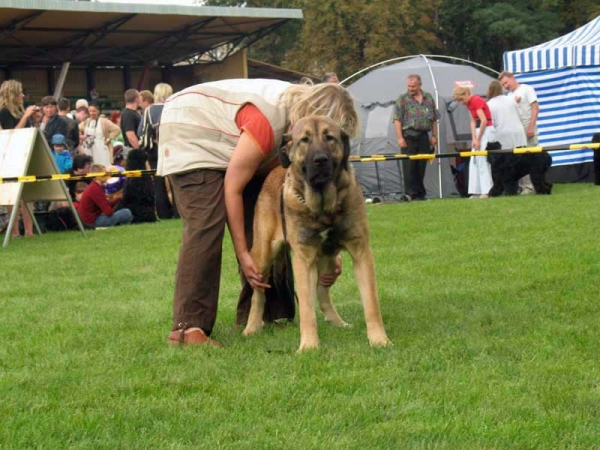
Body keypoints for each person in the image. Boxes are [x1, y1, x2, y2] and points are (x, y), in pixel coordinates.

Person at [157, 79, 358, 347]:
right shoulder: (267, 124)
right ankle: (187, 328)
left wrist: (329, 247)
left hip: (232, 138)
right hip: (190, 128)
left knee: (271, 224)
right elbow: (233, 188)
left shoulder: (295, 126)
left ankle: (271, 312)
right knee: (207, 222)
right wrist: (243, 254)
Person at [0, 79, 38, 238]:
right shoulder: (4, 112)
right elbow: (12, 134)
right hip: (10, 156)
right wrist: (26, 116)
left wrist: (34, 119)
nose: (23, 95)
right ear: (13, 94)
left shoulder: (20, 112)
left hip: (25, 153)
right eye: (20, 92)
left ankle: (29, 231)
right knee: (12, 195)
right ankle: (15, 231)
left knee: (29, 195)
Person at [393, 74, 439, 201]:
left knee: (421, 166)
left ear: (420, 85)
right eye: (408, 86)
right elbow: (397, 120)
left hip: (424, 135)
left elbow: (434, 118)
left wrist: (434, 135)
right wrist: (400, 138)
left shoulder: (428, 97)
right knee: (409, 166)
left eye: (413, 86)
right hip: (408, 136)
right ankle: (410, 194)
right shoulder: (402, 99)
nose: (411, 88)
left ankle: (420, 194)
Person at [137, 82, 178, 219]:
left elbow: (141, 131)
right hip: (173, 149)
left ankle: (163, 213)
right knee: (175, 182)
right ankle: (178, 212)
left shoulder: (149, 111)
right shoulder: (175, 108)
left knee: (158, 183)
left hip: (154, 150)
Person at [498, 71, 539, 194]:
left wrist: (531, 127)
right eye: (503, 85)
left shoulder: (527, 89)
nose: (505, 86)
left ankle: (531, 186)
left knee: (530, 158)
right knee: (518, 160)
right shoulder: (509, 97)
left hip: (528, 127)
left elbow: (535, 108)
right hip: (516, 131)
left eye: (506, 82)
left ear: (513, 78)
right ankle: (521, 186)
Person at [452, 86, 494, 198]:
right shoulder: (469, 104)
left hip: (486, 130)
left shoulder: (476, 100)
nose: (461, 103)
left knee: (483, 161)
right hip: (478, 131)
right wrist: (474, 138)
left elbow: (484, 120)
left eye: (461, 99)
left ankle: (487, 190)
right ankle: (476, 190)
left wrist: (478, 138)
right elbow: (472, 122)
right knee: (474, 162)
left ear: (466, 93)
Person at [77, 164, 133, 228]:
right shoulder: (96, 189)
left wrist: (116, 199)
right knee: (126, 213)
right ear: (98, 176)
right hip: (92, 222)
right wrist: (115, 199)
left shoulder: (94, 187)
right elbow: (109, 212)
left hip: (90, 220)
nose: (107, 176)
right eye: (105, 174)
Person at [486, 81, 527, 151]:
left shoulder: (488, 104)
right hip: (518, 133)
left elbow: (490, 124)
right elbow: (520, 115)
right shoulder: (511, 99)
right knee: (521, 159)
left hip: (502, 135)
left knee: (506, 160)